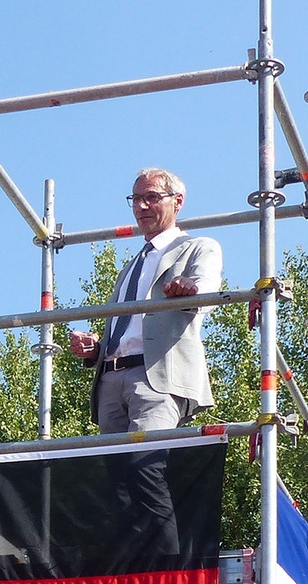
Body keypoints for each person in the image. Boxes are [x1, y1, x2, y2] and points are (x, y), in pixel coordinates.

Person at [68, 168, 222, 559]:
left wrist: (190, 290)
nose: (142, 206)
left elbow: (206, 292)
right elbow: (132, 327)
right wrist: (96, 348)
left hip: (157, 376)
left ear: (177, 201)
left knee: (144, 464)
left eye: (152, 197)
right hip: (112, 376)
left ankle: (168, 568)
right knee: (117, 481)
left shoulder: (197, 247)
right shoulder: (131, 266)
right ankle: (138, 566)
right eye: (136, 199)